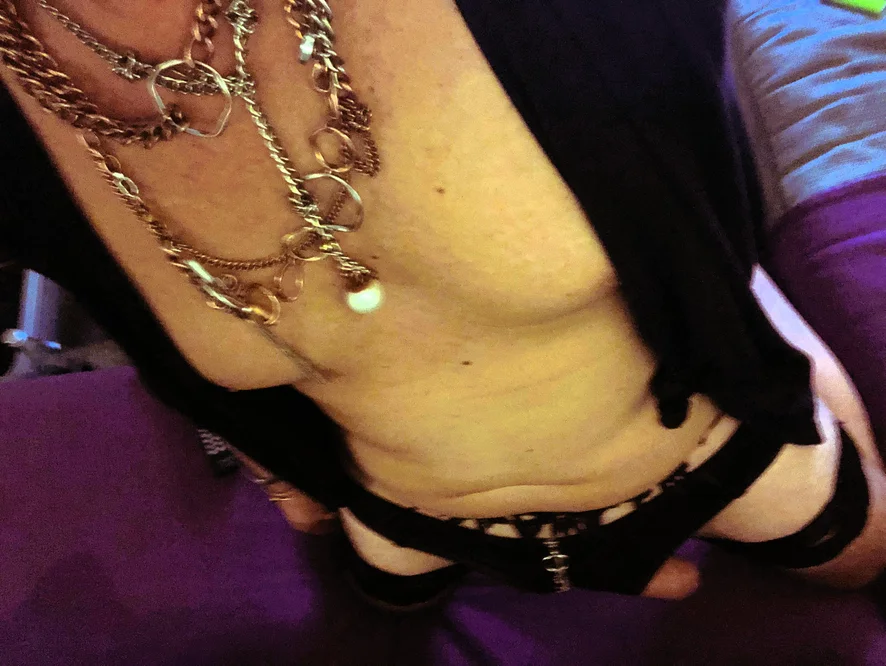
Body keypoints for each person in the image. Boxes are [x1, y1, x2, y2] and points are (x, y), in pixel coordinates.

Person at [1, 0, 884, 611]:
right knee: (385, 603)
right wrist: (276, 467)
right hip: (405, 518)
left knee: (862, 559)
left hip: (708, 457)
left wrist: (746, 316)